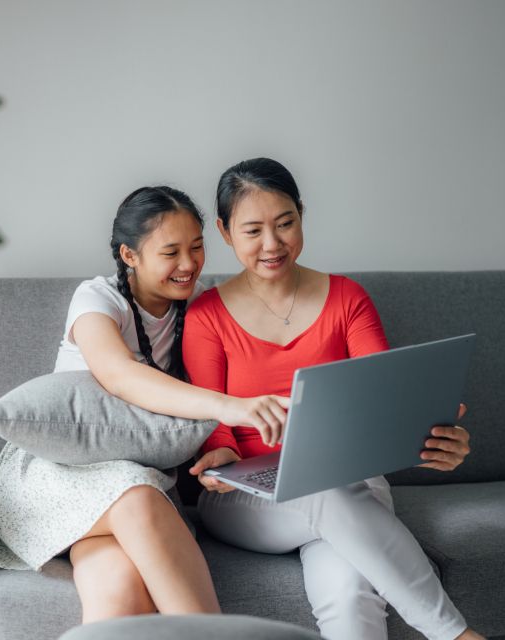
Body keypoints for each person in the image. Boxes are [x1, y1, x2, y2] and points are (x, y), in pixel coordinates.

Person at [184, 158, 483, 640]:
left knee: (347, 596)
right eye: (253, 230)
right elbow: (214, 428)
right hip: (249, 498)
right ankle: (457, 636)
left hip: (352, 485)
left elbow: (382, 404)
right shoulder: (206, 316)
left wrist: (429, 437)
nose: (272, 244)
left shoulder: (347, 299)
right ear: (224, 231)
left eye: (285, 224)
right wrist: (217, 459)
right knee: (319, 489)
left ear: (302, 213)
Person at [0, 186, 290, 623]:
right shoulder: (98, 300)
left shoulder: (201, 306)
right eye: (171, 252)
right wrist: (230, 407)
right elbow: (120, 375)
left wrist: (220, 449)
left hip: (129, 482)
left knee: (119, 591)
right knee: (139, 500)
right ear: (129, 255)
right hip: (56, 476)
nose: (188, 264)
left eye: (197, 247)